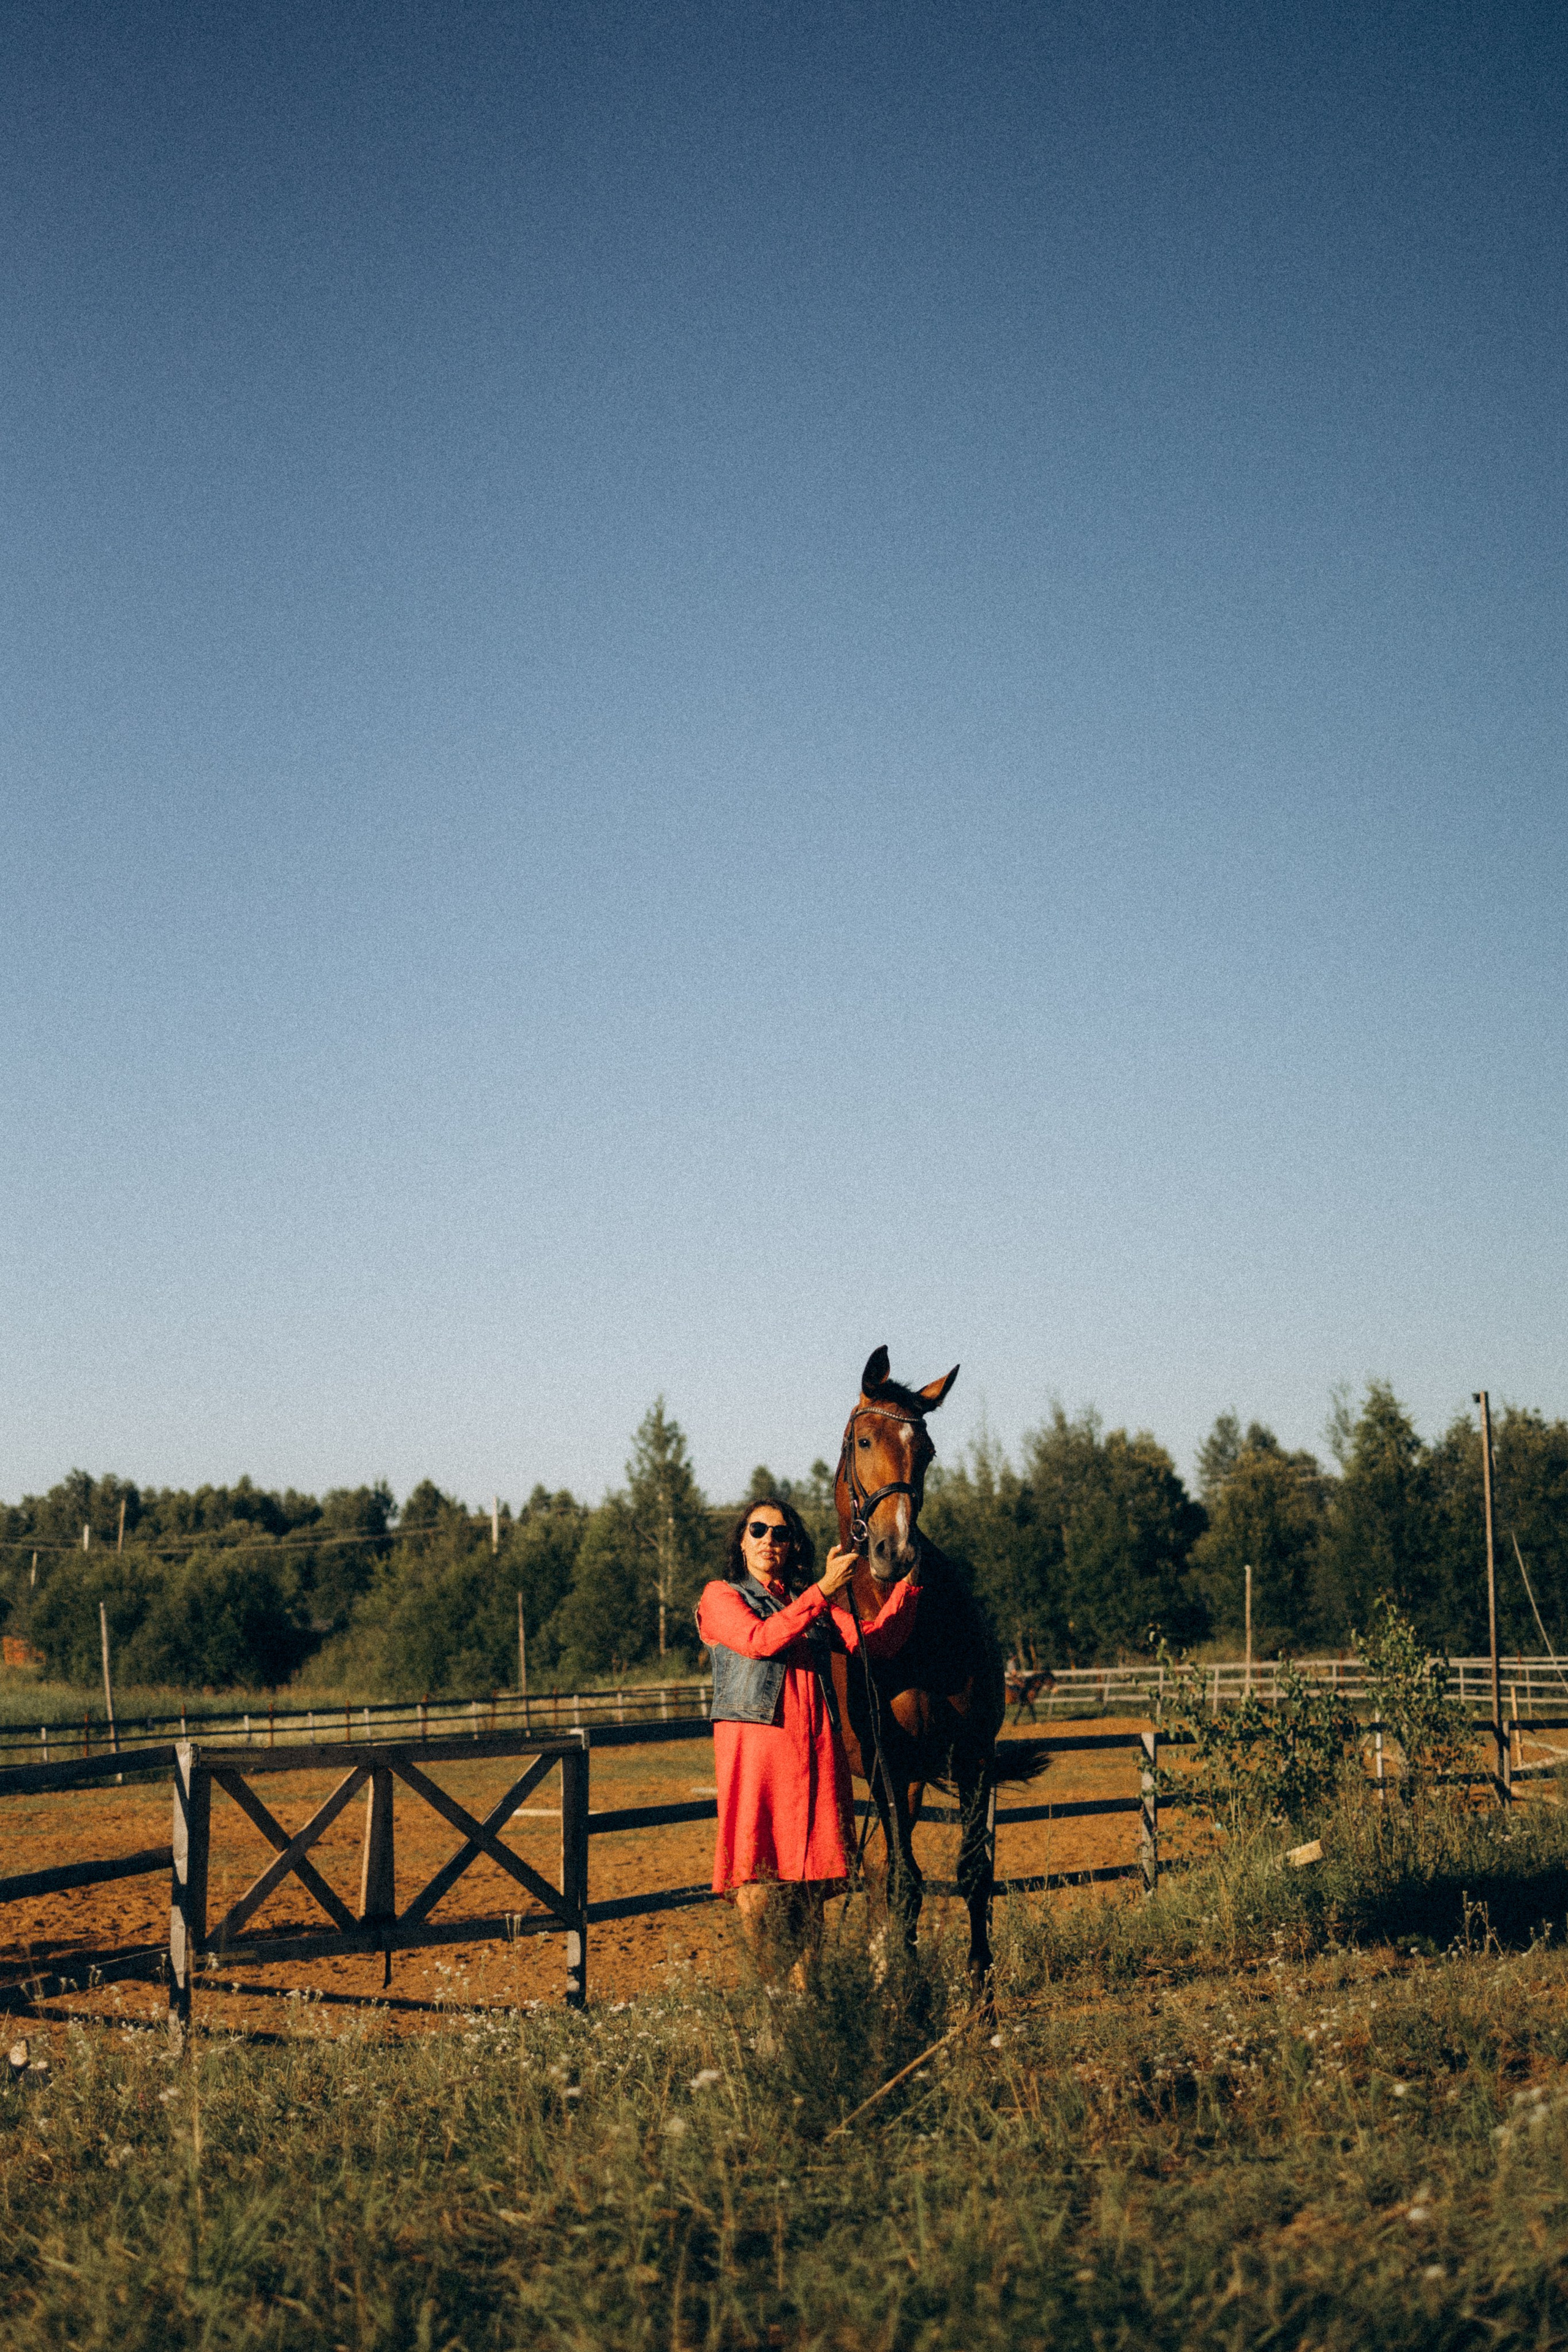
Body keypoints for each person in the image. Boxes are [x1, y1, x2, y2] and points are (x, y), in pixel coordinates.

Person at [696, 1494, 921, 1981]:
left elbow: (873, 1640)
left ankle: (807, 1995)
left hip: (816, 1754)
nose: (769, 1541)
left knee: (810, 1878)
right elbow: (760, 1641)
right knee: (757, 1873)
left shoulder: (804, 1602)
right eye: (758, 1530)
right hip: (757, 1756)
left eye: (780, 1533)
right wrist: (821, 1590)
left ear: (792, 1545)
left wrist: (908, 1584)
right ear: (741, 1539)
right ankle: (768, 1990)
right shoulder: (721, 1596)